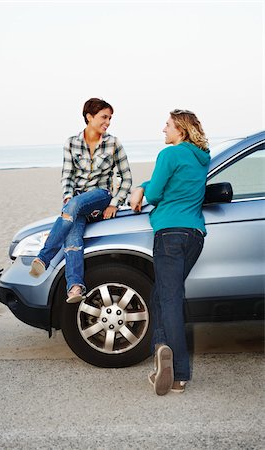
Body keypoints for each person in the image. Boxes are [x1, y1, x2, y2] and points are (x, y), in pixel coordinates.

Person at [130, 109, 210, 395]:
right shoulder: (202, 158)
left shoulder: (169, 155)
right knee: (162, 294)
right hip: (195, 236)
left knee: (170, 298)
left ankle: (178, 373)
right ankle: (162, 352)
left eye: (167, 125)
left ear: (181, 130)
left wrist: (140, 188)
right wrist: (144, 186)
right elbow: (173, 186)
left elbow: (155, 195)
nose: (163, 129)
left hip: (170, 233)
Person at [29, 98, 132, 303]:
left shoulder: (113, 143)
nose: (108, 122)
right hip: (77, 202)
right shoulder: (71, 143)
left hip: (101, 196)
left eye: (110, 118)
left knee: (73, 205)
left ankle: (44, 257)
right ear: (89, 117)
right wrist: (68, 197)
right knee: (73, 241)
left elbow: (126, 177)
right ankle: (75, 287)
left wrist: (114, 203)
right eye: (104, 117)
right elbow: (67, 176)